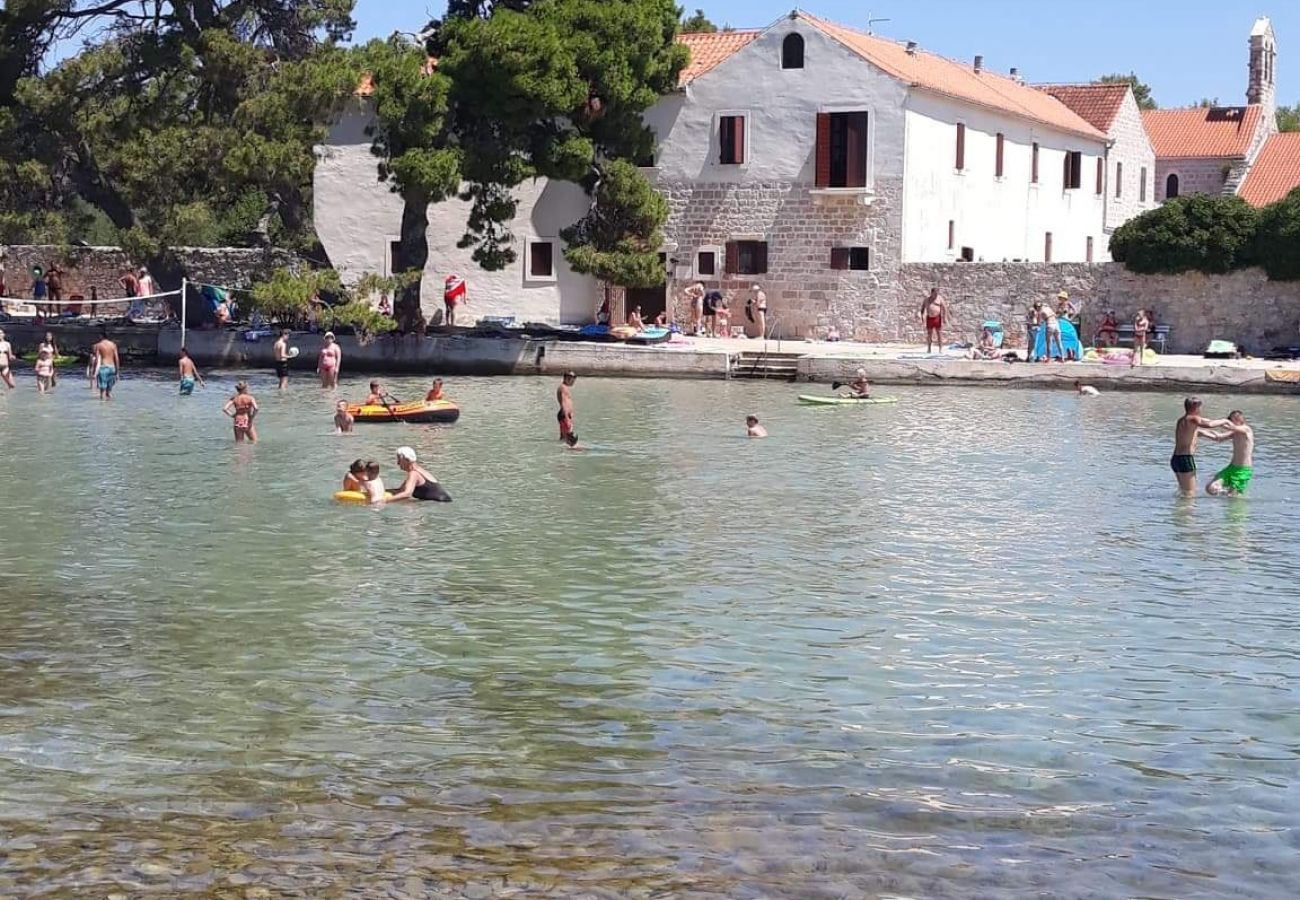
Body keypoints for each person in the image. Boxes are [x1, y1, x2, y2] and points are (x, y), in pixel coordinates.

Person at [1170, 397, 1229, 496]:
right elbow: (1209, 424)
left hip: (1176, 459)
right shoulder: (1192, 418)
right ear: (1196, 408)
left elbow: (1205, 431)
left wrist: (1226, 433)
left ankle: (1180, 510)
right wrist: (1224, 421)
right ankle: (1188, 510)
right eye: (1200, 407)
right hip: (1185, 459)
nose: (1201, 410)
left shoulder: (1183, 420)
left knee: (1183, 491)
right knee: (1190, 494)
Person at [1203, 410, 1255, 497]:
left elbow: (1232, 427)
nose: (1229, 422)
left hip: (1242, 470)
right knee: (1210, 488)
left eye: (1230, 420)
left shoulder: (1246, 429)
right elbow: (1219, 437)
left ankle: (1232, 494)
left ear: (1237, 419)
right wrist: (1201, 432)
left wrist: (1223, 421)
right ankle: (1226, 493)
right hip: (1231, 468)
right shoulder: (1234, 432)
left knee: (1233, 500)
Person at [388, 446, 453, 502]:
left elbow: (407, 494)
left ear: (406, 460)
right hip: (444, 503)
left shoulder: (414, 474)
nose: (398, 463)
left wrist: (384, 501)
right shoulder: (420, 471)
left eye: (399, 460)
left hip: (438, 506)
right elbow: (401, 490)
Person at [91, 328, 120, 401]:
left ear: (101, 336)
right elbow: (116, 359)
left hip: (103, 367)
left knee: (102, 392)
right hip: (112, 367)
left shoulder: (99, 345)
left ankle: (103, 408)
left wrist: (94, 372)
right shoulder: (113, 345)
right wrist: (117, 372)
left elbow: (97, 359)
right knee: (109, 392)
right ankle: (110, 407)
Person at [920, 287, 945, 353]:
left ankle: (940, 349)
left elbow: (944, 308)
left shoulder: (939, 299)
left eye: (937, 294)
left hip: (937, 318)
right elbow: (922, 309)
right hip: (929, 318)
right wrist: (922, 317)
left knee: (939, 334)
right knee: (929, 334)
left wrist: (945, 318)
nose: (936, 295)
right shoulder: (927, 300)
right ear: (932, 293)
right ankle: (929, 348)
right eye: (935, 294)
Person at [557, 370, 576, 442]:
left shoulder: (564, 387)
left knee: (564, 439)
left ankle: (561, 452)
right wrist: (567, 418)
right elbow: (564, 403)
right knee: (570, 441)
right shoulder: (563, 388)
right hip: (565, 415)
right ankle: (569, 452)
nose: (573, 380)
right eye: (572, 378)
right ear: (566, 378)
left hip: (564, 415)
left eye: (574, 378)